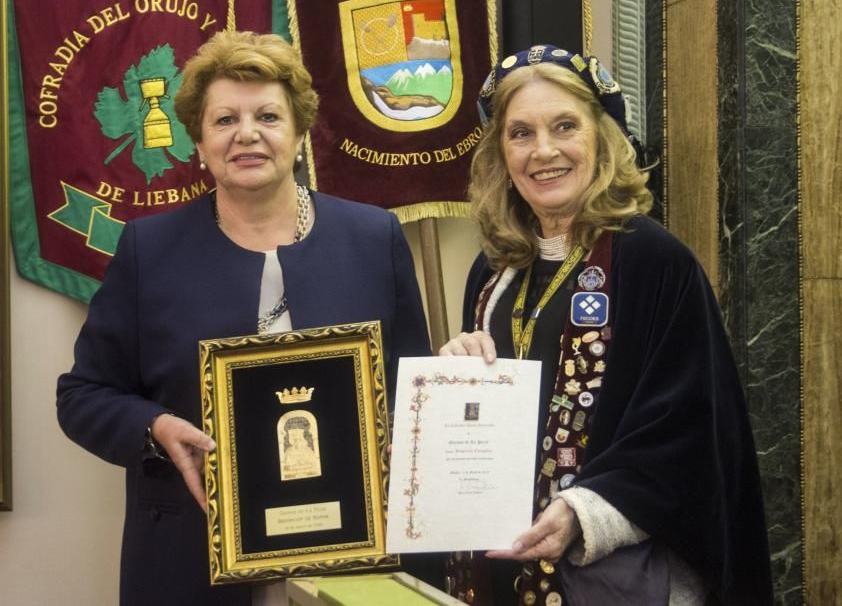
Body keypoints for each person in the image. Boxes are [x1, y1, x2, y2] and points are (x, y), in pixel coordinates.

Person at [56, 31, 432, 606]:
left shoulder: (372, 237)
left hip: (352, 559)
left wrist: (461, 379)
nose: (247, 134)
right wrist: (155, 429)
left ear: (300, 134)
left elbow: (414, 396)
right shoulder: (148, 249)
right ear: (200, 144)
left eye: (268, 116)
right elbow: (82, 395)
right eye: (225, 119)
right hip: (188, 558)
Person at [439, 45, 773, 606]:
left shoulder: (654, 261)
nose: (543, 151)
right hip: (501, 567)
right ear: (501, 153)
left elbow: (693, 433)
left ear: (602, 138)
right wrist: (456, 376)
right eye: (520, 133)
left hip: (616, 577)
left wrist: (584, 512)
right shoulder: (493, 270)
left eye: (564, 126)